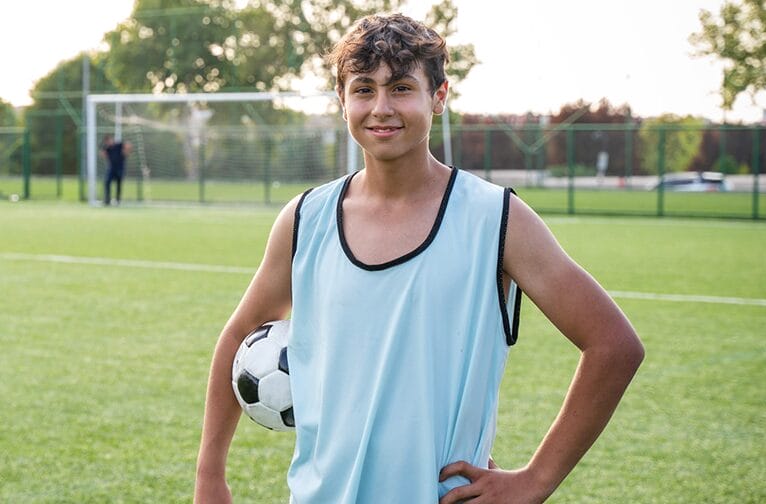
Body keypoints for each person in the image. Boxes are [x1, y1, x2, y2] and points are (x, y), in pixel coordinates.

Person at [195, 13, 644, 504]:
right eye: (363, 89)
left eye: (402, 88)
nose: (381, 108)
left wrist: (536, 479)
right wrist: (209, 475)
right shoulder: (305, 220)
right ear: (342, 101)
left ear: (439, 96)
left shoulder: (495, 218)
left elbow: (613, 345)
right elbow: (239, 335)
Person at [100, 135, 132, 206]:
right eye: (107, 142)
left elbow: (128, 145)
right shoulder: (107, 148)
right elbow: (102, 154)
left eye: (109, 141)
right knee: (107, 182)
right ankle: (107, 200)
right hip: (111, 168)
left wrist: (126, 150)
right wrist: (105, 151)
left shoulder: (119, 145)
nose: (109, 143)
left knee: (119, 183)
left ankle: (118, 200)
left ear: (112, 139)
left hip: (120, 168)